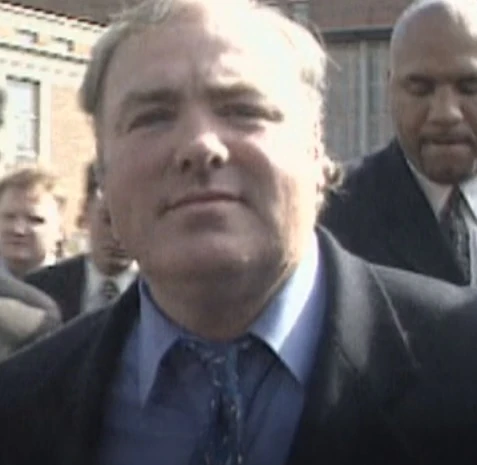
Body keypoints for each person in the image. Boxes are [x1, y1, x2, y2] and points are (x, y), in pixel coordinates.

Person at [2, 0, 477, 463]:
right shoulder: (19, 407)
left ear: (317, 152)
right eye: (153, 117)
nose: (199, 145)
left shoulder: (462, 363)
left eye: (242, 110)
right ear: (103, 172)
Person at [321, 0, 477, 286]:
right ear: (390, 89)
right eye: (421, 88)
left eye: (470, 88)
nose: (445, 113)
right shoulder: (330, 219)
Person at [25, 162, 137, 321]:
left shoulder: (166, 295)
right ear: (85, 211)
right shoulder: (39, 289)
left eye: (132, 223)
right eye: (108, 220)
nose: (118, 235)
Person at [0, 166, 65, 279]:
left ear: (59, 230)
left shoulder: (81, 284)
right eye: (9, 217)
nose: (18, 230)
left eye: (34, 220)